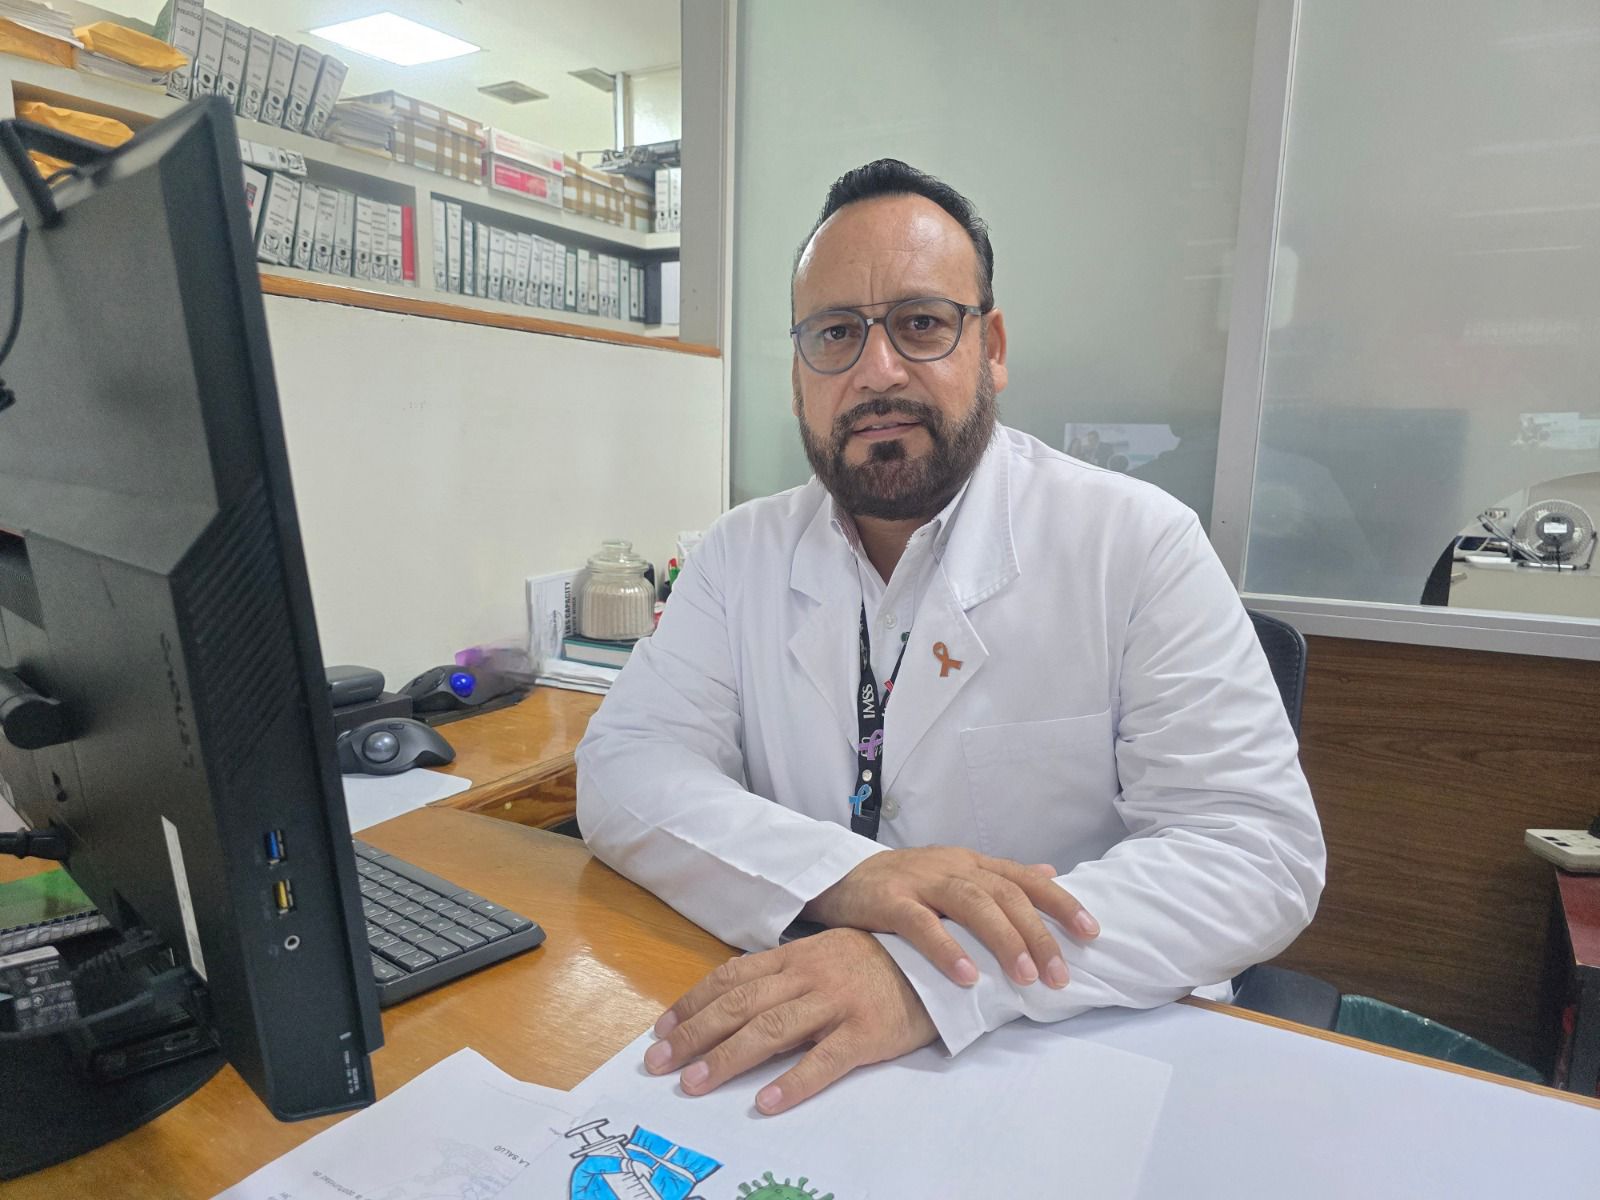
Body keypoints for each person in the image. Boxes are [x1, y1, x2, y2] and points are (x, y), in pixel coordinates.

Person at [575, 159, 1324, 1116]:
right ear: (799, 375)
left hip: (1069, 1059)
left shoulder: (1136, 543)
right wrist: (847, 877)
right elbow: (626, 766)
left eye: (922, 323)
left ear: (992, 347)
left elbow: (1253, 851)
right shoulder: (739, 554)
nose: (877, 371)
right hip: (803, 1048)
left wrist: (931, 970)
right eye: (835, 334)